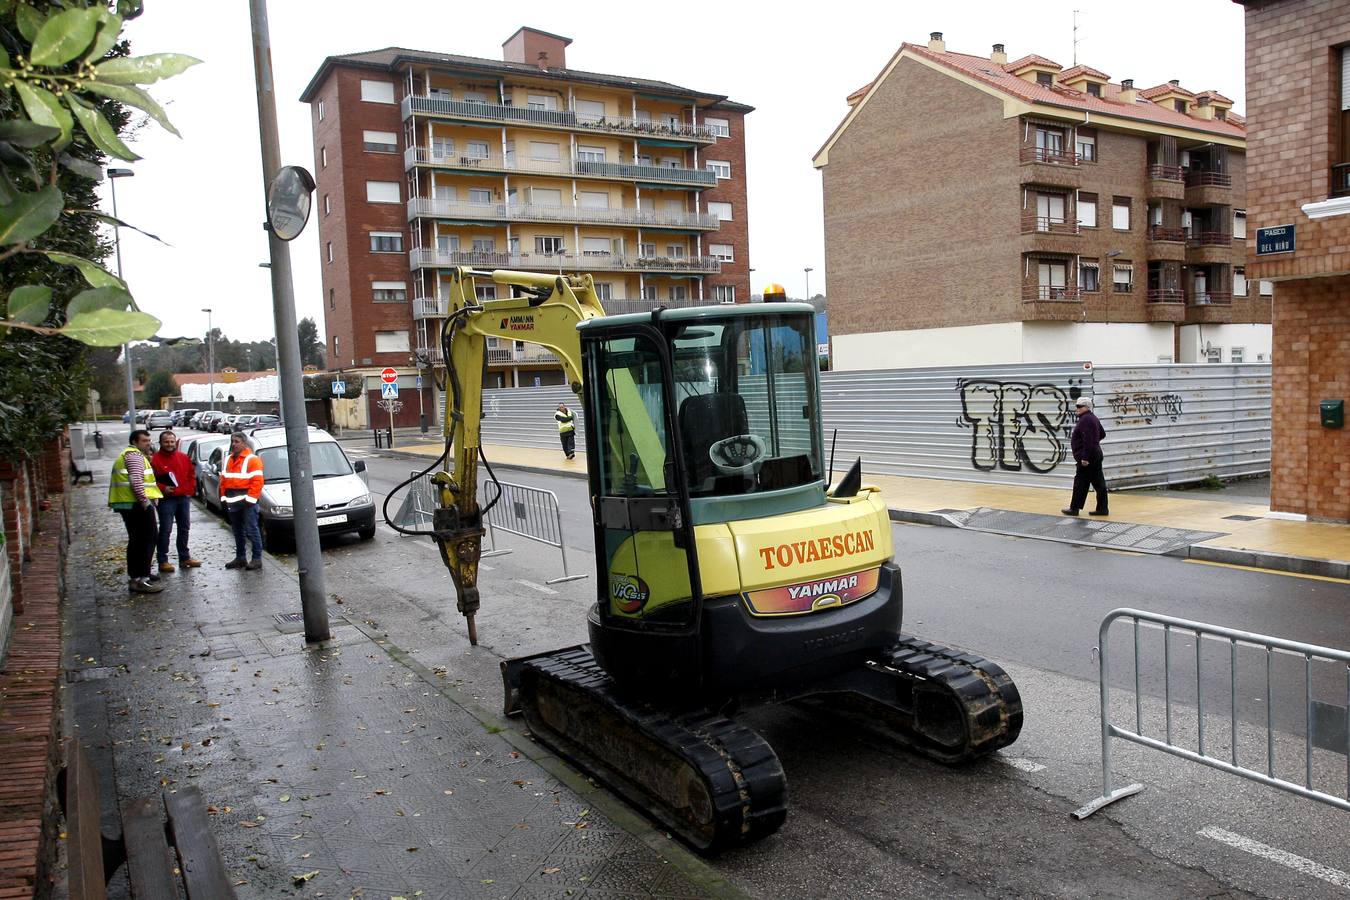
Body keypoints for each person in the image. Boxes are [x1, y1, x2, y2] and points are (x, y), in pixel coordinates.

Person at [108, 430, 163, 594]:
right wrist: (145, 502)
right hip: (136, 505)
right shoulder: (134, 456)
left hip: (131, 504)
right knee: (147, 539)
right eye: (144, 440)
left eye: (149, 440)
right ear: (135, 442)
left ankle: (138, 575)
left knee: (138, 540)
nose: (148, 443)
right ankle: (141, 579)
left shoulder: (129, 455)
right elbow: (136, 481)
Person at [150, 430, 201, 573]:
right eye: (166, 442)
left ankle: (184, 558)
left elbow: (191, 474)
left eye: (172, 441)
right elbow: (150, 481)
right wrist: (163, 488)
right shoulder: (155, 460)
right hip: (166, 500)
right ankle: (163, 560)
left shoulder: (183, 457)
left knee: (184, 528)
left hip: (183, 498)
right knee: (166, 529)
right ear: (160, 443)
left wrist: (190, 490)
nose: (169, 444)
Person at [220, 431, 265, 570]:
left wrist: (250, 500)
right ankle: (241, 558)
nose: (234, 444)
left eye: (237, 441)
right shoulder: (228, 459)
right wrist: (223, 499)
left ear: (244, 443)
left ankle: (257, 559)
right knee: (237, 531)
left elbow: (257, 482)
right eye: (232, 441)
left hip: (247, 503)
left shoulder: (252, 460)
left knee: (252, 530)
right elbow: (223, 481)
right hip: (233, 502)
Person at [1062, 397, 1109, 517]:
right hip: (1096, 455)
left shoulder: (1086, 420)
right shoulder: (1092, 418)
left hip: (1088, 458)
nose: (1077, 408)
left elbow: (1087, 440)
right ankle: (1102, 509)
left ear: (1087, 407)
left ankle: (1074, 508)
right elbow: (1102, 434)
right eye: (1077, 406)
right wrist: (1095, 444)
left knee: (1080, 483)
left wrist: (1084, 457)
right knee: (1099, 484)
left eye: (1080, 406)